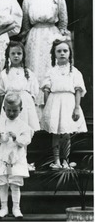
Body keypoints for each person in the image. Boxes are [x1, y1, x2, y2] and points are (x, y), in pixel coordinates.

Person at [21, 0, 70, 109]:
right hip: (34, 37)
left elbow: (63, 21)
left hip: (52, 35)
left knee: (50, 67)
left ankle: (52, 107)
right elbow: (25, 24)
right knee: (34, 68)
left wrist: (60, 37)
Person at [41, 39, 87, 169]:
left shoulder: (75, 72)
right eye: (59, 51)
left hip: (69, 103)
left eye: (65, 51)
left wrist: (77, 108)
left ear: (70, 53)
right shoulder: (51, 71)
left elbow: (78, 90)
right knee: (56, 133)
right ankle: (56, 160)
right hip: (54, 102)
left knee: (66, 133)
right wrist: (47, 108)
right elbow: (46, 90)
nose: (62, 53)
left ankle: (66, 159)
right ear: (54, 54)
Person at [0, 93, 32, 219]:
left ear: (20, 110)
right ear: (4, 110)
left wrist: (16, 138)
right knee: (3, 184)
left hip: (16, 159)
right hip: (2, 159)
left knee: (15, 185)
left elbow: (26, 141)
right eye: (8, 110)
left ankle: (16, 208)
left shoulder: (24, 126)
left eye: (15, 110)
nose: (11, 113)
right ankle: (3, 208)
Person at [0, 41, 40, 134]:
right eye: (13, 53)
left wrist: (30, 105)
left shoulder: (28, 73)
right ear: (8, 56)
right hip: (9, 104)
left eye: (19, 53)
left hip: (25, 105)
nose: (16, 56)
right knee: (9, 130)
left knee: (25, 130)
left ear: (23, 55)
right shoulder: (4, 74)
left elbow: (33, 93)